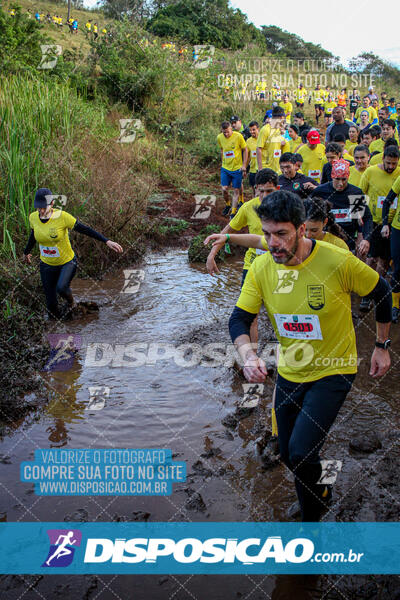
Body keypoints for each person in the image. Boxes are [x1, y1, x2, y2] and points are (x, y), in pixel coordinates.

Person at [227, 190, 391, 522]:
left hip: (335, 368)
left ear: (302, 229)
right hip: (291, 369)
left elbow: (382, 292)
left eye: (282, 234)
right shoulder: (261, 268)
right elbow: (239, 319)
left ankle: (312, 521)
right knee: (287, 452)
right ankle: (320, 491)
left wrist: (381, 346)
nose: (273, 243)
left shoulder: (337, 261)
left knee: (302, 452)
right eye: (268, 234)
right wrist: (248, 355)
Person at [23, 188, 123, 320]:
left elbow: (84, 229)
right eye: (38, 208)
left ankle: (71, 303)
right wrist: (26, 252)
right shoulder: (33, 217)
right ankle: (58, 331)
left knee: (62, 288)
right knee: (51, 306)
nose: (41, 211)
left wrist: (106, 241)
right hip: (46, 265)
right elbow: (33, 235)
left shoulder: (62, 217)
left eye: (44, 207)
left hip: (67, 262)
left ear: (52, 203)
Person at [205, 169, 279, 345]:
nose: (264, 195)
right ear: (255, 189)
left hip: (280, 266)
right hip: (252, 265)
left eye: (269, 191)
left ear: (277, 189)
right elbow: (227, 231)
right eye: (261, 191)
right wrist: (212, 254)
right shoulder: (248, 208)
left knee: (279, 311)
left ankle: (282, 353)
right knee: (250, 315)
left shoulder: (286, 207)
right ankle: (252, 357)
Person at [359, 146, 400, 301]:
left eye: (394, 164)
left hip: (394, 224)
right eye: (388, 163)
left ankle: (378, 289)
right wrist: (358, 217)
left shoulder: (399, 173)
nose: (391, 167)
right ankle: (365, 291)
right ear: (383, 159)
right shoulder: (371, 172)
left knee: (385, 258)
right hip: (374, 222)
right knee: (371, 257)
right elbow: (359, 192)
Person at [312, 159, 372, 254]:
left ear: (348, 177)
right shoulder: (320, 191)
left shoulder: (354, 193)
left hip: (349, 239)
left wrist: (366, 238)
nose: (341, 183)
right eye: (337, 179)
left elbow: (366, 217)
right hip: (326, 239)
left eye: (344, 179)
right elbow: (310, 215)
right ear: (332, 177)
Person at [217, 121, 248, 218]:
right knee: (224, 189)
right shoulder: (219, 138)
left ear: (231, 129)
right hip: (225, 168)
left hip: (237, 168)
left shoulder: (238, 136)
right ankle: (228, 205)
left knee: (236, 190)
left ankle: (233, 212)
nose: (226, 134)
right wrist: (223, 161)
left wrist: (244, 165)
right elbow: (222, 150)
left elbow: (245, 149)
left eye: (227, 132)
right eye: (224, 132)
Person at [382, 174, 400, 322]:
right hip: (398, 229)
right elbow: (388, 200)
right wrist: (385, 224)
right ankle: (395, 306)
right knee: (398, 268)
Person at [256, 106, 289, 174]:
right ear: (281, 117)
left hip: (277, 168)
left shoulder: (278, 129)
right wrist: (260, 168)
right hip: (265, 168)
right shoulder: (265, 130)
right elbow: (259, 148)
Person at [246, 121, 259, 196]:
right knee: (254, 190)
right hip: (252, 169)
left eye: (253, 129)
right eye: (250, 130)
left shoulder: (263, 139)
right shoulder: (248, 141)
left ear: (258, 129)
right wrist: (244, 167)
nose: (251, 132)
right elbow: (248, 156)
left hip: (261, 169)